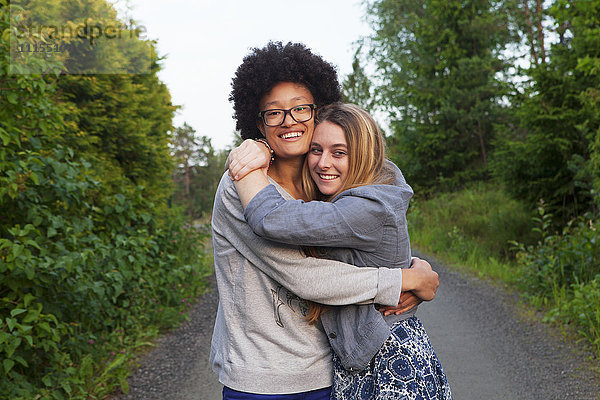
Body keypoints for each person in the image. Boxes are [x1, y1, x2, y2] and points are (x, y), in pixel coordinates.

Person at [210, 41, 440, 400]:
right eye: (274, 113)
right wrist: (402, 278)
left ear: (317, 113)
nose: (289, 121)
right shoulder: (242, 185)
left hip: (332, 369)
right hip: (263, 378)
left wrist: (411, 265)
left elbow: (362, 243)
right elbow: (304, 275)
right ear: (258, 122)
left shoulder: (322, 179)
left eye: (300, 109)